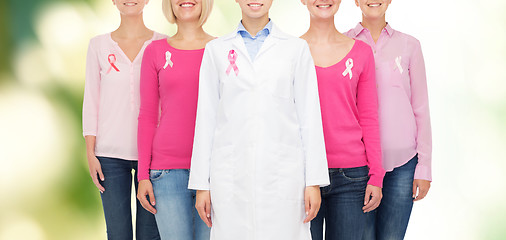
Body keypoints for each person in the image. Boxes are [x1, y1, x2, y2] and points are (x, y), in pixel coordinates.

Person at [188, 0, 330, 239]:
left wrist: (313, 181)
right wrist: (202, 184)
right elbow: (206, 119)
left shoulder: (296, 49)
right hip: (231, 177)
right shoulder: (216, 50)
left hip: (284, 177)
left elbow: (310, 118)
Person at [345, 1, 432, 239]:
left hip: (403, 164)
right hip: (357, 165)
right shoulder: (343, 44)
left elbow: (421, 107)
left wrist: (424, 166)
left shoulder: (410, 46)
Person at [299, 0, 385, 239]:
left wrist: (376, 175)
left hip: (352, 176)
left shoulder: (361, 52)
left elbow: (369, 117)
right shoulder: (291, 52)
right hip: (303, 174)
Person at [82, 0, 165, 239]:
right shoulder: (98, 46)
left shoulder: (163, 44)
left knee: (151, 234)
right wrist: (90, 152)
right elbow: (91, 101)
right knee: (117, 233)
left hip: (152, 156)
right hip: (109, 156)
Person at [135, 0, 214, 239]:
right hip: (166, 173)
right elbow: (147, 115)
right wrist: (142, 176)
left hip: (213, 171)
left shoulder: (221, 49)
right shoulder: (155, 51)